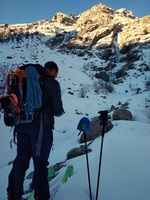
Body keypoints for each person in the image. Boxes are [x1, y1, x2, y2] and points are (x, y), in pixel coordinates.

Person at [7, 61, 65, 200]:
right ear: (53, 71)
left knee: (21, 160)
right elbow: (57, 110)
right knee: (40, 164)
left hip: (22, 124)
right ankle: (41, 196)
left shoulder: (24, 77)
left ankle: (13, 194)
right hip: (41, 128)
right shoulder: (51, 82)